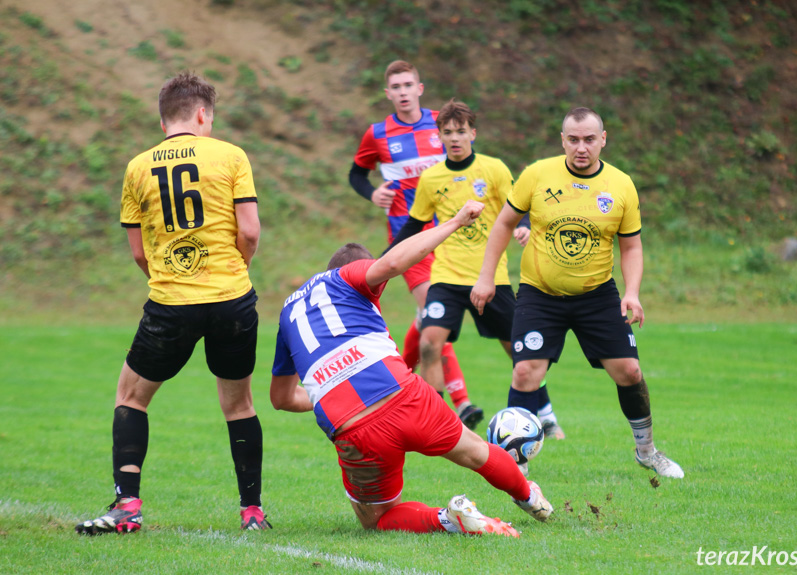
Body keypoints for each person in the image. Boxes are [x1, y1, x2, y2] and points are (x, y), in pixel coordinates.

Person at [270, 200, 553, 537]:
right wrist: (455, 222)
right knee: (477, 451)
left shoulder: (288, 316)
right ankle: (529, 497)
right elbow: (390, 264)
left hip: (353, 426)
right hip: (405, 394)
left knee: (376, 519)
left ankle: (448, 520)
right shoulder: (347, 278)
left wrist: (326, 390)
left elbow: (282, 399)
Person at [75, 72, 271, 535]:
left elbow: (139, 252)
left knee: (131, 397)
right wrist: (234, 270)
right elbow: (250, 231)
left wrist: (170, 277)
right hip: (232, 300)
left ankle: (128, 507)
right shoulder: (230, 155)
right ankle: (252, 513)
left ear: (164, 118)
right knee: (239, 405)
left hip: (171, 304)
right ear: (203, 114)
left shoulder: (137, 167)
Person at [471, 107, 684, 478]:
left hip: (597, 296)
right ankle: (511, 468)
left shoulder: (620, 185)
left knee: (629, 371)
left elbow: (631, 246)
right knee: (525, 373)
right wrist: (487, 277)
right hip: (540, 294)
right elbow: (504, 223)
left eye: (589, 139)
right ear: (563, 140)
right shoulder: (537, 174)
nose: (581, 147)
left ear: (603, 139)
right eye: (573, 139)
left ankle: (647, 451)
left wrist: (632, 292)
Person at [387, 99, 563, 454]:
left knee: (519, 352)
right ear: (438, 137)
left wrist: (525, 228)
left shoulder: (493, 170)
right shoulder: (431, 178)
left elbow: (520, 207)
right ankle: (434, 423)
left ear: (473, 133)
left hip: (490, 277)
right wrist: (382, 261)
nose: (455, 138)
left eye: (461, 132)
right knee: (428, 343)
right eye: (448, 133)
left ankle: (545, 414)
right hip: (447, 276)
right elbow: (415, 225)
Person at [348, 60, 482, 428]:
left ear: (420, 89)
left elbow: (470, 166)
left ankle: (397, 379)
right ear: (388, 93)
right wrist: (371, 192)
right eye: (397, 86)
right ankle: (462, 403)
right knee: (436, 313)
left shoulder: (444, 125)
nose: (404, 91)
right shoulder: (377, 134)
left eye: (409, 84)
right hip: (407, 241)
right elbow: (356, 173)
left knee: (428, 317)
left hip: (453, 238)